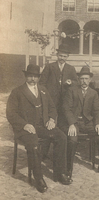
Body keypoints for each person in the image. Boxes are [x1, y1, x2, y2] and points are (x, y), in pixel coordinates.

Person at [6, 64, 72, 193]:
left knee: (62, 137)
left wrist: (52, 120)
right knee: (34, 144)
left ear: (38, 78)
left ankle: (60, 172)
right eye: (30, 76)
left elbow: (52, 108)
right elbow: (11, 113)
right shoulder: (17, 91)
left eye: (35, 76)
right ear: (26, 76)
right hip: (25, 128)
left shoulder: (43, 90)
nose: (33, 79)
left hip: (43, 126)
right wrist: (24, 124)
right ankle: (39, 178)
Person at [61, 66, 99, 179]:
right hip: (75, 122)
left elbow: (97, 111)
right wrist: (71, 123)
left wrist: (98, 124)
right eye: (81, 79)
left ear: (90, 80)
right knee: (72, 139)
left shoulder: (93, 93)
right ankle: (68, 168)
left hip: (88, 123)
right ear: (78, 79)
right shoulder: (71, 91)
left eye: (86, 79)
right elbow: (66, 108)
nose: (84, 81)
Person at [39, 44, 78, 156]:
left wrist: (71, 83)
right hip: (51, 101)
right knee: (48, 124)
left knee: (62, 125)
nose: (62, 58)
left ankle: (60, 151)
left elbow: (76, 82)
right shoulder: (50, 67)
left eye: (65, 56)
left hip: (65, 102)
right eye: (61, 55)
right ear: (57, 55)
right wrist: (46, 96)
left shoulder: (71, 68)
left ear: (67, 57)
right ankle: (44, 153)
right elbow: (42, 83)